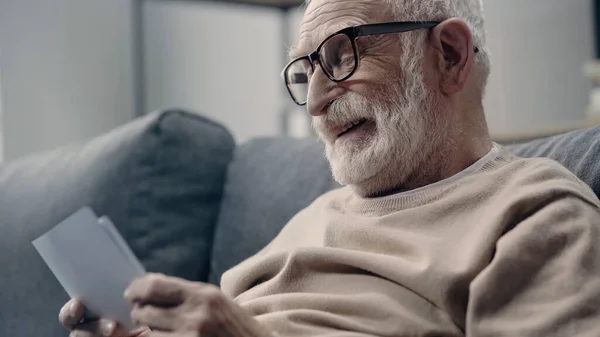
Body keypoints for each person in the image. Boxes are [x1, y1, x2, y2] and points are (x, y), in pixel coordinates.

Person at [59, 0, 600, 336]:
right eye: (305, 69)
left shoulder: (537, 214)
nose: (315, 100)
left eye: (342, 55)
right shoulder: (314, 214)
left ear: (450, 55)